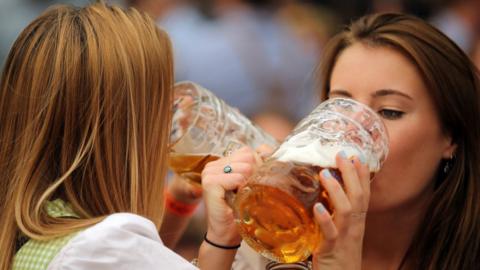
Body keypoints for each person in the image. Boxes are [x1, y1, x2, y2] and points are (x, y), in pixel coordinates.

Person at [202, 12, 480, 269]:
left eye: (390, 112)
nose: (351, 132)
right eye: (340, 107)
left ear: (451, 136)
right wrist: (220, 244)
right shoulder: (274, 237)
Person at [0, 2, 258, 270]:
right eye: (162, 101)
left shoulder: (39, 228)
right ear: (126, 127)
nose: (176, 116)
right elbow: (124, 255)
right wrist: (222, 238)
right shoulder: (102, 248)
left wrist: (178, 203)